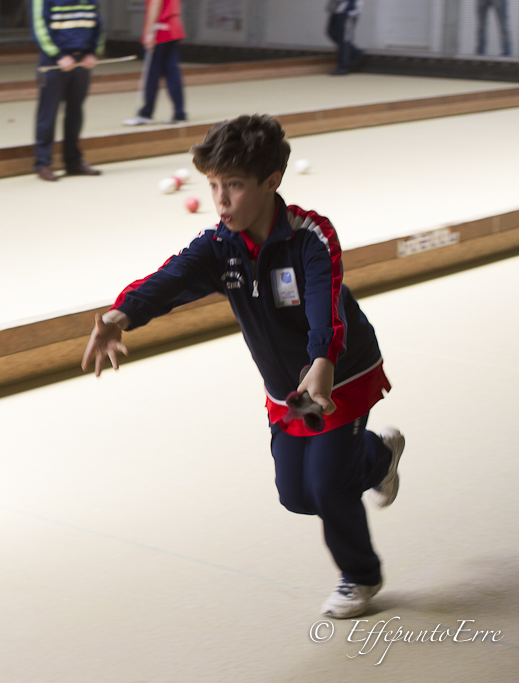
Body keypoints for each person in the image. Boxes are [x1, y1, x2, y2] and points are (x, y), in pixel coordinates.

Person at [81, 114, 406, 619]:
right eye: (213, 186)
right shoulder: (221, 246)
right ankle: (377, 457)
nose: (221, 200)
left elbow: (324, 304)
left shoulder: (310, 236)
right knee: (296, 494)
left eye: (233, 185)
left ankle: (361, 576)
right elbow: (174, 276)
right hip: (286, 388)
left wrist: (322, 360)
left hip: (340, 372)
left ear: (271, 181)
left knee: (327, 485)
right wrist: (121, 314)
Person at [30, 0, 104, 181]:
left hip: (82, 60)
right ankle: (43, 164)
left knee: (75, 112)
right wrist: (58, 55)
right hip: (54, 62)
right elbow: (39, 28)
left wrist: (93, 52)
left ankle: (73, 162)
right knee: (48, 113)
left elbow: (98, 22)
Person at [122, 0, 186, 126]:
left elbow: (155, 4)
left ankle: (146, 114)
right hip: (173, 28)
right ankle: (179, 113)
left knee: (152, 74)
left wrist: (149, 34)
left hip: (159, 30)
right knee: (172, 72)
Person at [326, 0, 363, 75]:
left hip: (348, 12)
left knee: (344, 39)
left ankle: (343, 67)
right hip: (336, 10)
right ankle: (355, 53)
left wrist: (350, 8)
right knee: (332, 33)